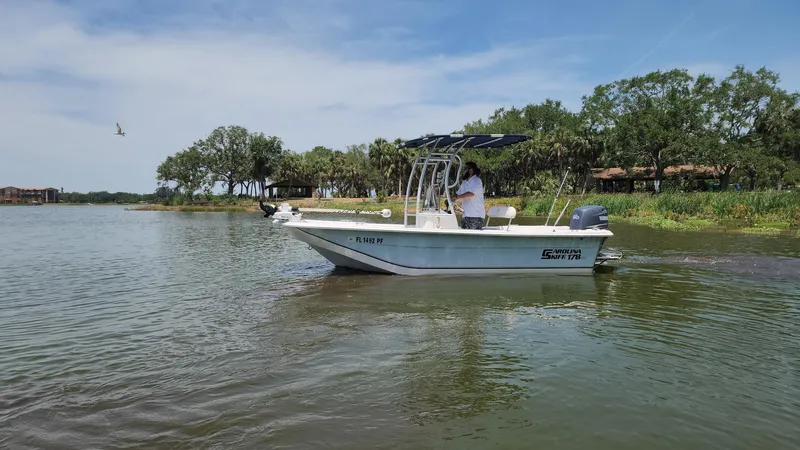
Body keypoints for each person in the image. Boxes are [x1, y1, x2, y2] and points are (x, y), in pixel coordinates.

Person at [452, 161, 485, 229]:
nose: (463, 170)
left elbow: (471, 194)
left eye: (465, 168)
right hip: (465, 215)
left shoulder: (477, 181)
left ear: (471, 170)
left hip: (476, 216)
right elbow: (459, 194)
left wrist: (457, 197)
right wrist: (451, 198)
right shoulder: (465, 182)